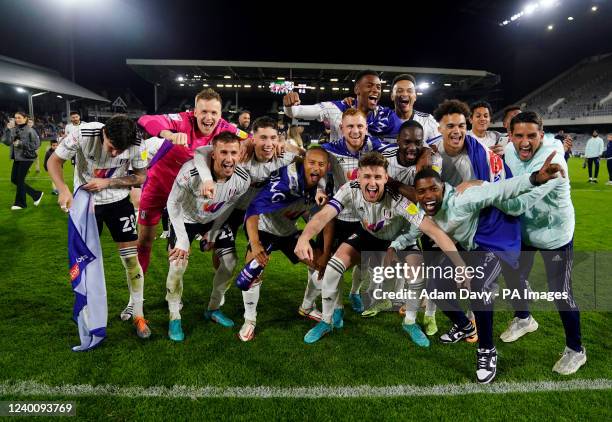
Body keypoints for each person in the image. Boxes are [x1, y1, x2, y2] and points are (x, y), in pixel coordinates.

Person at [394, 153, 562, 381]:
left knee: (480, 286)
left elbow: (501, 189)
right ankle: (464, 326)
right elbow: (415, 230)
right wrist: (396, 245)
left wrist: (535, 179)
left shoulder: (464, 198)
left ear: (443, 187)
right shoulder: (424, 210)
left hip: (497, 238)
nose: (428, 196)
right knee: (435, 286)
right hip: (473, 243)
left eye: (433, 189)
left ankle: (486, 350)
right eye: (421, 192)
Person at [294, 152, 466, 344]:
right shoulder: (349, 189)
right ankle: (327, 320)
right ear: (358, 177)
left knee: (417, 275)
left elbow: (434, 231)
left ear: (386, 178)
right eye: (367, 176)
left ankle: (409, 322)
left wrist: (459, 264)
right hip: (369, 235)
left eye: (377, 177)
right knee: (333, 267)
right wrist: (304, 237)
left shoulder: (399, 200)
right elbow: (323, 216)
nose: (372, 182)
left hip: (399, 239)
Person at [47, 115, 151, 339]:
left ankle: (138, 313)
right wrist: (63, 189)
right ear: (104, 133)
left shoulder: (137, 144)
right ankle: (88, 312)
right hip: (86, 204)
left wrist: (109, 182)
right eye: (112, 148)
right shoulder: (81, 134)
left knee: (131, 258)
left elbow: (141, 177)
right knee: (85, 260)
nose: (114, 154)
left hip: (118, 202)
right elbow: (54, 161)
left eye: (120, 151)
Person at [504, 111, 586, 376]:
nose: (524, 142)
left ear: (542, 135)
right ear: (510, 136)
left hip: (555, 234)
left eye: (531, 135)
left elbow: (522, 201)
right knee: (514, 277)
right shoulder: (507, 151)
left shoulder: (553, 157)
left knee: (560, 292)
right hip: (527, 231)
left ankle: (576, 349)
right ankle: (524, 319)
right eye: (519, 135)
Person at [136, 88, 249, 277]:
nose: (208, 117)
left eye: (213, 112)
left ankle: (209, 295)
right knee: (145, 240)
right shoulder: (181, 120)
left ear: (220, 114)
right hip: (159, 186)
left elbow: (250, 140)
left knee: (201, 244)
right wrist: (169, 134)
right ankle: (135, 300)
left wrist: (278, 144)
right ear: (194, 112)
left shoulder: (226, 129)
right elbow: (145, 120)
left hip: (188, 192)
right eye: (203, 111)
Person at [238, 147, 333, 341]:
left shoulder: (323, 182)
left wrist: (325, 251)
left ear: (327, 167)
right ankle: (249, 320)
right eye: (311, 163)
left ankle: (307, 307)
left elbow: (325, 216)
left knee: (325, 266)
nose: (316, 168)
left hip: (289, 229)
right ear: (303, 163)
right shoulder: (286, 183)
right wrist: (255, 244)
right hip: (265, 228)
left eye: (321, 164)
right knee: (252, 273)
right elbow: (253, 209)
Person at [164, 131, 251, 341]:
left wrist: (214, 231)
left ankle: (213, 308)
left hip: (213, 219)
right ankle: (174, 316)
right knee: (177, 264)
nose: (229, 159)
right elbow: (172, 204)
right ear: (213, 153)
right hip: (184, 218)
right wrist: (183, 240)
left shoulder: (242, 179)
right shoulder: (190, 172)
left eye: (233, 153)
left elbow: (229, 205)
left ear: (239, 155)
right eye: (223, 152)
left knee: (230, 262)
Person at [321, 108, 396, 314]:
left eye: (360, 126)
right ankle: (336, 309)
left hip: (366, 218)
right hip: (340, 216)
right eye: (350, 126)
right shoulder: (330, 148)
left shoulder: (377, 147)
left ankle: (354, 292)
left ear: (367, 128)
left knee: (363, 263)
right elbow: (311, 158)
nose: (355, 131)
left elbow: (405, 149)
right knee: (333, 265)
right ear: (341, 128)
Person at [283, 70, 399, 141]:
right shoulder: (336, 108)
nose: (375, 90)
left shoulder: (385, 115)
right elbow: (295, 112)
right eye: (369, 86)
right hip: (342, 180)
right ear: (357, 89)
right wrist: (289, 105)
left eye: (378, 87)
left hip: (373, 180)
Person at [2, 111, 43, 210]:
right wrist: (7, 129)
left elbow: (36, 144)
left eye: (19, 117)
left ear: (25, 119)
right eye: (15, 118)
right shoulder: (13, 129)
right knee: (14, 179)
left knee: (19, 180)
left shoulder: (30, 130)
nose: (17, 119)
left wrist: (21, 144)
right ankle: (36, 194)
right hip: (17, 158)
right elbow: (6, 142)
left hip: (27, 158)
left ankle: (20, 203)